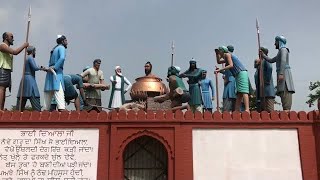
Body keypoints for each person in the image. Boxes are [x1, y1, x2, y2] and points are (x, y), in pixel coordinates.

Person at [260, 35, 295, 112]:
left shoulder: (283, 50)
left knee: (286, 90)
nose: (274, 44)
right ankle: (285, 110)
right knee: (282, 92)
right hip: (281, 73)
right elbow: (271, 60)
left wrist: (281, 73)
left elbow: (283, 60)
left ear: (279, 42)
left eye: (276, 42)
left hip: (285, 73)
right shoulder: (280, 52)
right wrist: (263, 55)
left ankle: (287, 110)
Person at [215, 46, 250, 112]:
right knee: (239, 93)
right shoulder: (226, 56)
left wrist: (220, 69)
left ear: (222, 51)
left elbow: (231, 65)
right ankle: (236, 110)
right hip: (237, 74)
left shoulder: (228, 55)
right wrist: (216, 54)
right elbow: (219, 62)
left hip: (241, 72)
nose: (219, 53)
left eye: (219, 51)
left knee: (244, 91)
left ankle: (247, 109)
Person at [0, 32, 29, 110]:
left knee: (4, 89)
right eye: (11, 37)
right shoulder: (2, 46)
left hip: (7, 70)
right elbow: (15, 52)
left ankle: (1, 108)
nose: (13, 39)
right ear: (6, 38)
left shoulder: (6, 47)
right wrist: (24, 45)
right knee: (1, 88)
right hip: (2, 69)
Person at [43, 35, 68, 111]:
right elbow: (62, 58)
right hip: (57, 72)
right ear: (62, 41)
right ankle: (61, 108)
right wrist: (56, 67)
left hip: (50, 72)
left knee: (48, 92)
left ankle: (45, 109)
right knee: (58, 90)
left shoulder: (54, 49)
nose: (67, 42)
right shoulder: (61, 48)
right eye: (66, 40)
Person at [16, 46, 44, 111]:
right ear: (32, 51)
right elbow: (35, 67)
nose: (35, 53)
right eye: (35, 51)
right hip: (30, 80)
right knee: (35, 96)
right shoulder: (30, 58)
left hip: (25, 80)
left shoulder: (26, 58)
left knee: (21, 101)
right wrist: (41, 67)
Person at [254, 47, 275, 112]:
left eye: (259, 52)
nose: (258, 53)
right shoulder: (261, 63)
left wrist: (267, 80)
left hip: (267, 90)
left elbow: (270, 68)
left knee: (269, 110)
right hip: (261, 91)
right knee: (263, 111)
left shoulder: (266, 60)